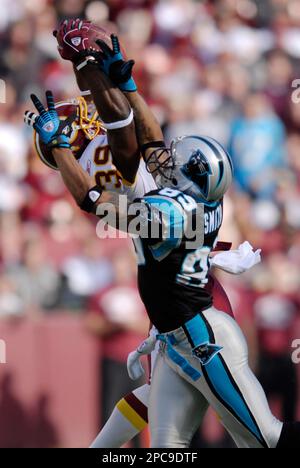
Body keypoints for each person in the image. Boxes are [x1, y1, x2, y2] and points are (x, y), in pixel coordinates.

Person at [24, 23, 299, 448]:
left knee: (260, 438)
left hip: (193, 314)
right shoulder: (185, 188)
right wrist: (110, 78)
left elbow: (112, 158)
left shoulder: (157, 202)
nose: (169, 154)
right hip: (185, 303)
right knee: (166, 426)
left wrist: (88, 74)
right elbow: (133, 131)